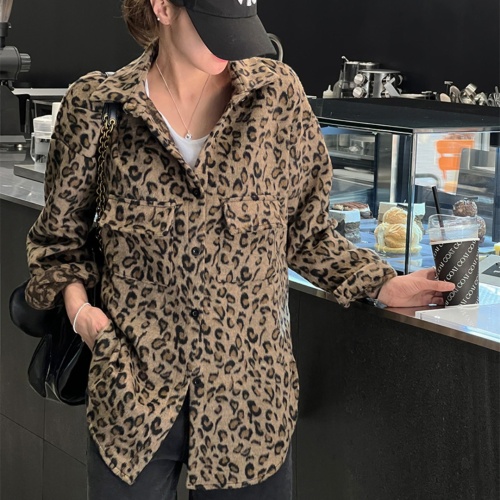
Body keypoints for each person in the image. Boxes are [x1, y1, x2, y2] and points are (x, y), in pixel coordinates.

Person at [25, 0, 455, 498]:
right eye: (215, 26)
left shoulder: (276, 98)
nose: (231, 45)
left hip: (250, 404)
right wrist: (85, 320)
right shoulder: (98, 105)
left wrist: (382, 283)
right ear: (163, 7)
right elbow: (60, 242)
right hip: (132, 393)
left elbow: (307, 233)